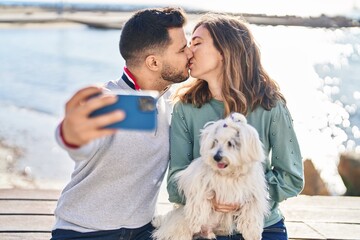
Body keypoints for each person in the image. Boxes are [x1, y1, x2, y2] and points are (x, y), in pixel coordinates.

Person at [51, 7, 193, 240]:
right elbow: (80, 142)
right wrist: (69, 134)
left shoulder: (171, 100)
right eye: (181, 49)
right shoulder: (109, 101)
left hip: (143, 232)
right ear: (154, 62)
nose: (189, 53)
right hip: (84, 233)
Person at [167, 13, 304, 240]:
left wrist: (242, 195)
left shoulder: (271, 106)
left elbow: (292, 178)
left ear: (224, 51)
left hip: (262, 228)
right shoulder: (185, 108)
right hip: (202, 229)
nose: (189, 51)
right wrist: (211, 195)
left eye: (197, 43)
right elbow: (174, 184)